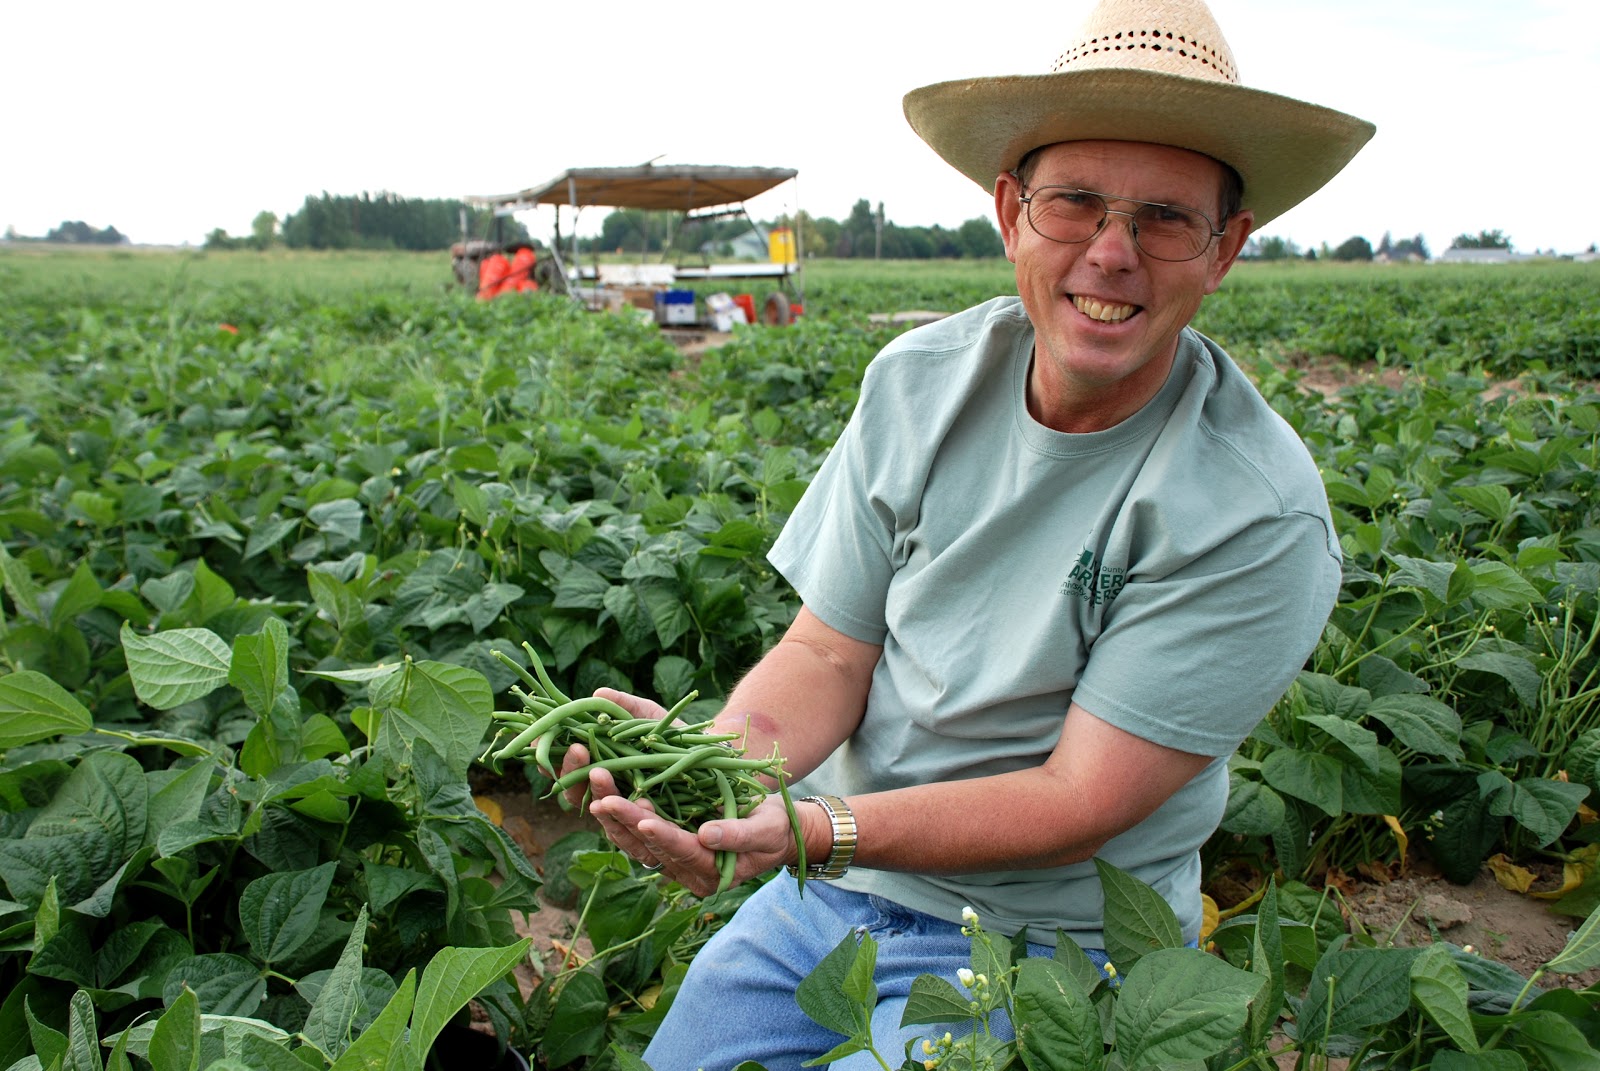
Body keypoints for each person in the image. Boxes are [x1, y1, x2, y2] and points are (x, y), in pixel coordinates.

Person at [558, 1, 1374, 1066]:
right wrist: (711, 773)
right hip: (832, 891)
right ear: (1010, 213)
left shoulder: (1252, 511)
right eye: (1074, 202)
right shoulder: (919, 383)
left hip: (1050, 946)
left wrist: (816, 826)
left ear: (1224, 251)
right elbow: (825, 652)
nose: (1113, 253)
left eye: (1166, 219)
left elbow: (1076, 800)